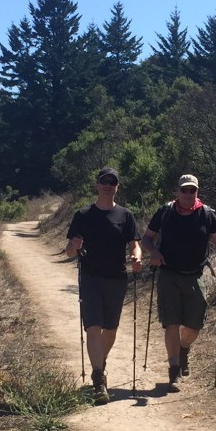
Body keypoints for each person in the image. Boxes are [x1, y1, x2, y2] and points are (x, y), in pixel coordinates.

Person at [141, 174, 216, 392]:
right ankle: (174, 371)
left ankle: (183, 349)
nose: (188, 194)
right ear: (177, 191)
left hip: (195, 275)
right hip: (168, 273)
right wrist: (153, 253)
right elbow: (146, 238)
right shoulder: (166, 212)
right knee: (171, 323)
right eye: (184, 190)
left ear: (197, 192)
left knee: (194, 325)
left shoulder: (206, 214)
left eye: (192, 190)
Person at [65, 167, 142, 404]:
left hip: (116, 278)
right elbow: (69, 251)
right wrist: (75, 246)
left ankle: (99, 362)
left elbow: (134, 244)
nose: (108, 185)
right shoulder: (83, 215)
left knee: (111, 329)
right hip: (90, 278)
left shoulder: (125, 216)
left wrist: (137, 257)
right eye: (104, 181)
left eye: (113, 182)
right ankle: (99, 379)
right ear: (97, 185)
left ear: (117, 187)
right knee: (93, 328)